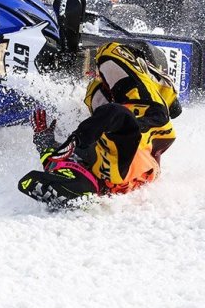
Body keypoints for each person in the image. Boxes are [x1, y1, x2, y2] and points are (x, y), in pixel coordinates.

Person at [18, 41, 180, 208]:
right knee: (108, 53)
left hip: (123, 144)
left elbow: (53, 158)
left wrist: (43, 139)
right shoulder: (115, 168)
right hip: (149, 116)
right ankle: (159, 80)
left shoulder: (85, 167)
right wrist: (78, 137)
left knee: (94, 91)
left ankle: (155, 84)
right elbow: (118, 114)